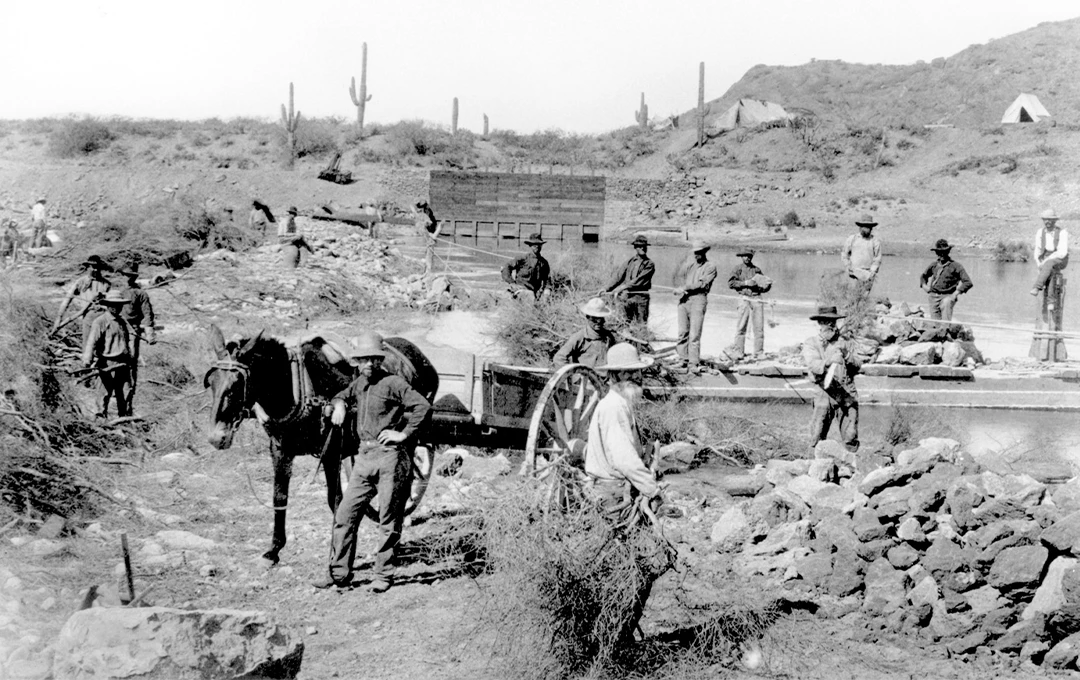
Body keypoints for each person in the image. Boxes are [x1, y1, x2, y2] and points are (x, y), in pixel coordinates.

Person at [316, 332, 431, 592]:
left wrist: (403, 434)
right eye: (364, 360)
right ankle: (338, 574)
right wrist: (340, 404)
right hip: (364, 459)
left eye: (374, 360)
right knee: (345, 515)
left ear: (380, 361)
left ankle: (383, 576)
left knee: (388, 518)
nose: (369, 364)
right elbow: (341, 395)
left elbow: (422, 406)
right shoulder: (358, 384)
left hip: (389, 457)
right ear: (357, 362)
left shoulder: (394, 383)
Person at [584, 342, 661, 523]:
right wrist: (653, 490)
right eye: (627, 372)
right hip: (613, 495)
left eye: (637, 371)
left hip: (614, 490)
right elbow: (625, 460)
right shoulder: (614, 407)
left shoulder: (620, 403)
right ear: (613, 375)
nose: (635, 376)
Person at [803, 306, 862, 453]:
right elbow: (814, 366)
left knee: (850, 436)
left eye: (832, 322)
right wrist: (829, 361)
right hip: (824, 392)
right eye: (825, 322)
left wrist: (847, 355)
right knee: (817, 435)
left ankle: (852, 468)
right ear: (819, 323)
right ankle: (815, 468)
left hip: (846, 392)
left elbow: (858, 365)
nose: (829, 325)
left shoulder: (846, 342)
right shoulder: (811, 343)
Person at [82, 291, 135, 418]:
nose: (116, 308)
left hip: (123, 362)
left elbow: (131, 336)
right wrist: (87, 360)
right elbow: (91, 341)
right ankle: (101, 421)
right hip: (107, 363)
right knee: (104, 394)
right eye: (113, 305)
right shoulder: (100, 321)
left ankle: (125, 420)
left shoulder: (122, 321)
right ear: (107, 305)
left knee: (125, 393)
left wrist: (131, 355)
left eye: (119, 305)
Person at [672, 240, 717, 372]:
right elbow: (679, 279)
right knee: (682, 332)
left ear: (704, 252)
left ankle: (693, 363)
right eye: (695, 253)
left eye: (699, 253)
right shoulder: (690, 266)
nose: (696, 255)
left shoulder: (710, 267)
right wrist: (678, 289)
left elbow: (702, 284)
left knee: (694, 334)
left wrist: (685, 287)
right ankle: (682, 359)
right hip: (684, 300)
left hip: (699, 300)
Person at [118, 262, 156, 404]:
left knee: (132, 357)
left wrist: (149, 333)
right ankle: (117, 385)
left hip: (133, 329)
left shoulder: (141, 294)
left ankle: (131, 387)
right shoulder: (117, 293)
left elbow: (148, 315)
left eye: (131, 276)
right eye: (126, 275)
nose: (128, 278)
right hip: (117, 327)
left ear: (135, 277)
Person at [53, 255, 112, 341]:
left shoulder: (106, 284)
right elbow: (67, 299)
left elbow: (112, 302)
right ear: (87, 267)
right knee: (87, 342)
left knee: (102, 343)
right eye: (93, 267)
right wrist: (59, 317)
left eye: (98, 268)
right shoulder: (81, 282)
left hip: (103, 317)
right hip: (88, 316)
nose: (96, 270)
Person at [727, 247, 771, 361]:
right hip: (744, 298)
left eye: (749, 256)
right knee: (741, 326)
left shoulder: (757, 270)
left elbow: (763, 287)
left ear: (751, 257)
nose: (746, 258)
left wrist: (766, 285)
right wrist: (745, 283)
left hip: (756, 298)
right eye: (744, 256)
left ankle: (759, 352)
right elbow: (731, 283)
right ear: (741, 257)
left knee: (759, 327)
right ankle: (738, 351)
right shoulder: (737, 269)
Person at [553, 297, 617, 369]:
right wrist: (573, 375)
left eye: (600, 318)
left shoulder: (608, 336)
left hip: (605, 378)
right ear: (588, 317)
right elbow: (559, 358)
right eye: (594, 318)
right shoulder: (579, 337)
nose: (598, 321)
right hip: (586, 378)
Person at [605, 235, 655, 324]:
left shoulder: (649, 264)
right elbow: (618, 276)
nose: (642, 248)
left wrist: (622, 287)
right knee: (625, 323)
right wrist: (606, 288)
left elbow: (639, 280)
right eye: (639, 246)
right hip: (627, 298)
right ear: (635, 247)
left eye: (644, 246)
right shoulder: (629, 262)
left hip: (641, 299)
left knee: (641, 325)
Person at [919, 239, 973, 321]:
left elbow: (968, 282)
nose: (942, 254)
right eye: (939, 252)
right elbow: (923, 276)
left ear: (948, 252)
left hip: (947, 296)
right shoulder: (934, 265)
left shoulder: (956, 266)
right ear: (936, 253)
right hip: (933, 297)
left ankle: (946, 330)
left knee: (945, 323)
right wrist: (924, 286)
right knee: (935, 324)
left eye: (944, 252)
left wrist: (955, 293)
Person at [501, 233, 551, 300]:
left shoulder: (544, 263)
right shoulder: (523, 258)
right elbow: (507, 266)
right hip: (520, 289)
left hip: (534, 292)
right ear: (530, 245)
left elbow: (546, 279)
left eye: (539, 244)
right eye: (534, 244)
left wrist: (547, 290)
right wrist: (511, 282)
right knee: (530, 296)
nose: (537, 246)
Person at [1031, 208, 1068, 297]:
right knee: (1050, 271)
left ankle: (1037, 286)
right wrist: (1039, 264)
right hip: (1046, 259)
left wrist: (1046, 261)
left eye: (1050, 219)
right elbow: (1038, 250)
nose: (1047, 222)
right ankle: (1050, 304)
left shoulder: (1062, 232)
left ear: (1054, 221)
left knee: (1049, 263)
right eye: (1045, 219)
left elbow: (1062, 252)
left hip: (1060, 259)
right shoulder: (1040, 232)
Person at [841, 214, 882, 291]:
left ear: (871, 228)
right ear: (860, 227)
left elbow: (877, 259)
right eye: (864, 226)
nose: (866, 228)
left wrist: (872, 271)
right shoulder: (852, 239)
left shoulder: (875, 241)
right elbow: (844, 254)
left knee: (864, 296)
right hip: (853, 273)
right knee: (852, 295)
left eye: (868, 227)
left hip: (868, 274)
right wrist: (847, 266)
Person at [413, 201, 441, 277]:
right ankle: (428, 269)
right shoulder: (426, 211)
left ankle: (428, 270)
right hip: (431, 230)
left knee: (429, 249)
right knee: (429, 250)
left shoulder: (427, 212)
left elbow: (430, 222)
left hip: (431, 230)